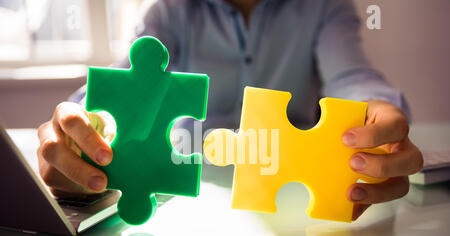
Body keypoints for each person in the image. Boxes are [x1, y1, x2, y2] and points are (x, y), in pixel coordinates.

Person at [36, 0, 423, 220]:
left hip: (293, 205)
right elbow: (121, 87)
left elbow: (353, 76)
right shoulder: (171, 11)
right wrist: (76, 129)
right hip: (189, 204)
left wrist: (379, 111)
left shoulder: (324, 6)